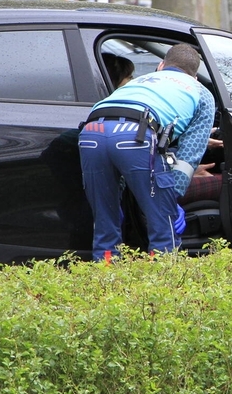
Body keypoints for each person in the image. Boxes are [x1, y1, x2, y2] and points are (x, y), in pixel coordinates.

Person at [78, 44, 215, 260]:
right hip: (136, 133)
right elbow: (189, 154)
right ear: (195, 76)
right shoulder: (200, 92)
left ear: (161, 66)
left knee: (105, 225)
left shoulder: (142, 81)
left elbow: (114, 144)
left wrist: (117, 193)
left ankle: (104, 282)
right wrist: (171, 200)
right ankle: (162, 284)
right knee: (163, 227)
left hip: (91, 131)